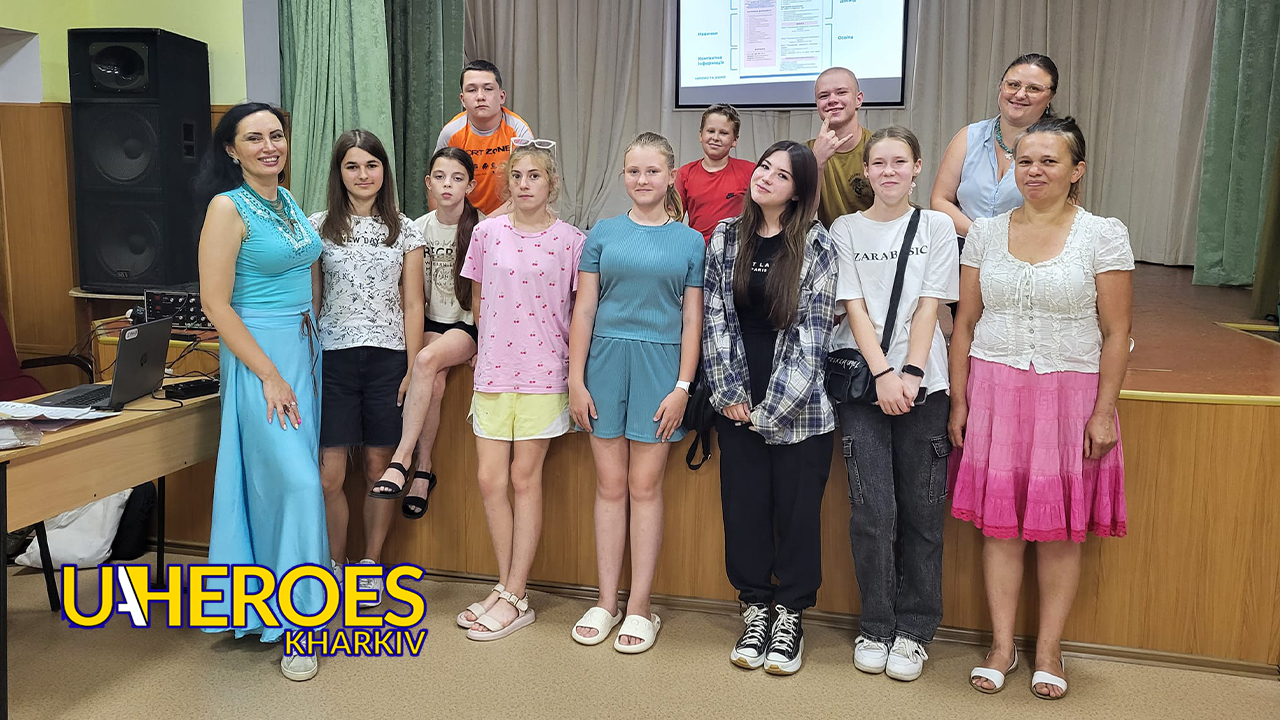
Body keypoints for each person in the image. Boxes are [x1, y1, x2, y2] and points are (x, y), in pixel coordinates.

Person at [949, 116, 1133, 700]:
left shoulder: (1102, 234)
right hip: (995, 390)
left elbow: (1117, 331)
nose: (1034, 171)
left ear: (1077, 171)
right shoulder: (985, 232)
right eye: (1024, 161)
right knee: (1000, 529)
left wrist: (1103, 411)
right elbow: (965, 324)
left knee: (1060, 532)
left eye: (1049, 161)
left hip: (1070, 395)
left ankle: (1049, 648)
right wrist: (960, 400)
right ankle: (1002, 646)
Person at [195, 102, 326, 681]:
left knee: (285, 485)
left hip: (304, 352)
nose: (269, 146)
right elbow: (214, 303)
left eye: (276, 135)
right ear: (232, 149)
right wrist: (269, 373)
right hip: (260, 358)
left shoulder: (286, 200)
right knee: (296, 484)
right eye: (255, 138)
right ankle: (300, 626)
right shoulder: (227, 207)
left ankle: (279, 607)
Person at [828, 127, 959, 682]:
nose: (888, 171)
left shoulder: (936, 227)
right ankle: (877, 625)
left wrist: (910, 372)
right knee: (873, 513)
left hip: (924, 385)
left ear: (917, 167)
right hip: (865, 384)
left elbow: (930, 304)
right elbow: (854, 306)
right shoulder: (844, 229)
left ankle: (915, 630)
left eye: (899, 162)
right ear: (866, 171)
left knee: (923, 515)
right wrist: (883, 373)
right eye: (878, 163)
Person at [704, 140, 837, 676]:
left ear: (799, 191)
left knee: (797, 514)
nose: (766, 177)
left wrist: (770, 411)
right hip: (736, 391)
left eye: (782, 175)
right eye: (764, 167)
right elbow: (715, 316)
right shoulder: (724, 236)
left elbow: (813, 334)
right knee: (744, 509)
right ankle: (756, 607)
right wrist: (730, 394)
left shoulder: (817, 243)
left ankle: (790, 616)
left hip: (799, 405)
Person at [568, 132, 704, 653]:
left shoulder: (691, 241)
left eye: (652, 171)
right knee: (609, 486)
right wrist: (576, 380)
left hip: (661, 367)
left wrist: (682, 387)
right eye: (633, 171)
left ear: (670, 176)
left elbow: (692, 319)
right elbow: (584, 309)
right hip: (603, 363)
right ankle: (606, 602)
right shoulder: (602, 233)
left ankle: (641, 606)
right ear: (623, 176)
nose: (642, 180)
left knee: (645, 487)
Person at [456, 142, 586, 640]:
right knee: (490, 480)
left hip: (544, 371)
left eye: (535, 175)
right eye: (517, 175)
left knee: (524, 478)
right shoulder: (486, 233)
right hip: (494, 369)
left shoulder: (571, 241)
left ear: (552, 183)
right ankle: (507, 587)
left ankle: (515, 593)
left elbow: (580, 311)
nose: (525, 183)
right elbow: (477, 298)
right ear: (507, 182)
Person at [308, 129, 426, 604]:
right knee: (329, 476)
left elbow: (413, 303)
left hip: (388, 359)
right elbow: (313, 301)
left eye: (371, 165)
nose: (363, 175)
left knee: (380, 466)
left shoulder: (406, 229)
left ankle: (370, 564)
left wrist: (413, 368)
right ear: (339, 173)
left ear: (384, 171)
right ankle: (333, 566)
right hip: (333, 360)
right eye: (352, 166)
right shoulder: (317, 227)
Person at [367, 147, 483, 518]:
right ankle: (424, 470)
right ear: (428, 182)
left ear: (470, 186)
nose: (448, 185)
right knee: (432, 381)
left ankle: (402, 458)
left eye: (457, 178)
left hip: (466, 324)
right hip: (430, 321)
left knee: (427, 360)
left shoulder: (483, 228)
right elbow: (411, 295)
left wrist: (487, 346)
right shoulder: (416, 228)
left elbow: (492, 296)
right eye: (440, 177)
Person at [930, 53, 1059, 239]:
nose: (1020, 94)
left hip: (1027, 249)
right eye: (1013, 85)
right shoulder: (968, 136)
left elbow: (1065, 213)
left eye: (1033, 88)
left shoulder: (1059, 148)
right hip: (965, 247)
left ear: (1050, 97)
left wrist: (1006, 245)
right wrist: (980, 236)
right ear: (1001, 86)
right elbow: (940, 200)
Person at [435, 59, 534, 215]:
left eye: (488, 89)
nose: (480, 96)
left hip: (509, 215)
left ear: (502, 96)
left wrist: (487, 223)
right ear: (462, 99)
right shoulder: (451, 133)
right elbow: (437, 184)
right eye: (472, 90)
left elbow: (527, 187)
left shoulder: (519, 131)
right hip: (463, 217)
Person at [675, 104, 755, 243]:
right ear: (701, 135)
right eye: (711, 131)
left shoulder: (750, 171)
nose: (716, 138)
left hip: (736, 248)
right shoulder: (685, 174)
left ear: (735, 140)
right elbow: (674, 220)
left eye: (723, 133)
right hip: (699, 249)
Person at [808, 67, 875, 228]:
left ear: (858, 99)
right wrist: (817, 163)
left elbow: (894, 212)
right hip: (828, 241)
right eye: (823, 96)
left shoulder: (878, 147)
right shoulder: (806, 152)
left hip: (875, 239)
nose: (832, 100)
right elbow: (803, 217)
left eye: (841, 92)